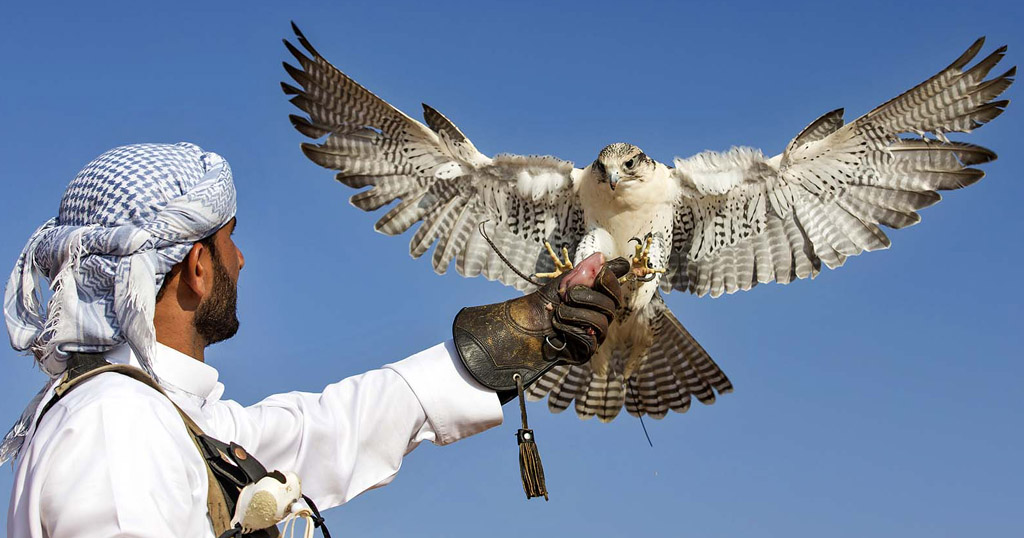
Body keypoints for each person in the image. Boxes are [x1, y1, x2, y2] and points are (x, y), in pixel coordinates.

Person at [2, 143, 625, 538]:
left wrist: (532, 330)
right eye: (229, 241)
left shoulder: (165, 419)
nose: (240, 260)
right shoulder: (115, 426)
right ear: (196, 266)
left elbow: (331, 428)